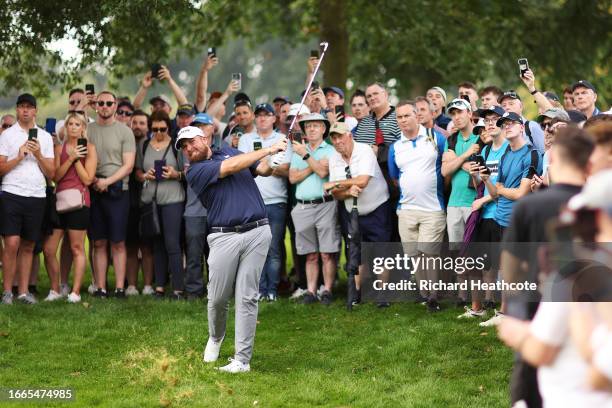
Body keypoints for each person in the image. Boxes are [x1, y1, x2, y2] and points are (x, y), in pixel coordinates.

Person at [494, 126, 593, 407]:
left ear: (553, 160)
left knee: (532, 383)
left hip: (536, 305)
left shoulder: (531, 206)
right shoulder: (600, 207)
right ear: (588, 163)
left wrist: (514, 305)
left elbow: (510, 266)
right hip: (594, 310)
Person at [178, 125, 287, 373]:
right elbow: (231, 168)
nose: (188, 148)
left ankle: (242, 360)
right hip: (223, 237)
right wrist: (269, 148)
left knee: (247, 296)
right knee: (217, 298)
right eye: (184, 147)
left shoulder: (228, 150)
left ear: (204, 139)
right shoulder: (194, 171)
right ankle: (216, 337)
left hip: (257, 231)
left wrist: (273, 162)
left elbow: (260, 170)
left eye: (191, 142)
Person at [324, 122, 391, 305]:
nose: (337, 141)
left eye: (340, 136)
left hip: (377, 207)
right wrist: (346, 190)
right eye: (334, 138)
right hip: (351, 211)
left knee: (380, 252)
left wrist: (335, 184)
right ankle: (358, 293)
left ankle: (382, 294)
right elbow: (337, 194)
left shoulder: (364, 151)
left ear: (349, 135)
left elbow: (362, 181)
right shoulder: (334, 157)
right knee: (356, 252)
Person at [388, 101, 446, 312]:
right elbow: (395, 177)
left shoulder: (435, 138)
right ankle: (424, 293)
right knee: (414, 255)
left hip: (432, 208)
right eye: (399, 117)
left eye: (406, 116)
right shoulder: (395, 146)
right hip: (406, 209)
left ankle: (433, 295)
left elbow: (446, 168)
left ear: (416, 116)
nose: (403, 120)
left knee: (429, 253)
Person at [0, 94, 55, 305]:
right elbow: (1, 168)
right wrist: (20, 155)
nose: (25, 110)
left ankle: (23, 292)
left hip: (36, 194)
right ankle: (7, 292)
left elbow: (51, 173)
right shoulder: (7, 135)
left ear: (35, 111)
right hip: (12, 193)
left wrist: (39, 154)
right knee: (11, 242)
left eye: (29, 107)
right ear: (17, 110)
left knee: (29, 245)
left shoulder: (45, 137)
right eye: (21, 107)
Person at [238, 103, 292, 301]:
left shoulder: (282, 139)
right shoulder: (245, 139)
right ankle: (259, 290)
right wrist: (269, 162)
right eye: (259, 115)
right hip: (252, 201)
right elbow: (243, 167)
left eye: (266, 115)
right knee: (254, 249)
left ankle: (272, 290)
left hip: (276, 201)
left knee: (274, 248)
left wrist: (268, 166)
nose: (262, 118)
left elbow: (287, 169)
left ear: (273, 119)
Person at [43, 113, 97, 303]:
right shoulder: (59, 148)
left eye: (77, 124)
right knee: (49, 249)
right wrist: (70, 157)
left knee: (76, 248)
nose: (73, 127)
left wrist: (76, 159)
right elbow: (56, 177)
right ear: (66, 127)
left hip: (79, 203)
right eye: (70, 124)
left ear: (83, 128)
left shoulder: (89, 148)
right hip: (59, 201)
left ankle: (75, 292)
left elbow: (88, 179)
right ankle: (55, 289)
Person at [88, 91, 136, 298]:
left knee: (118, 241)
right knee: (98, 241)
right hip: (93, 187)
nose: (105, 106)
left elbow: (128, 166)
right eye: (101, 103)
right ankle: (100, 287)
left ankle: (119, 287)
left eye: (109, 103)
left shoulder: (125, 132)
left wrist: (106, 181)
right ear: (95, 105)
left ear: (116, 105)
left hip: (118, 189)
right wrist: (95, 181)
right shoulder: (87, 130)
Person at [289, 113, 340, 305]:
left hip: (325, 204)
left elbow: (323, 172)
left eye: (315, 126)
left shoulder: (331, 150)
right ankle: (311, 291)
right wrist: (311, 161)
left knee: (327, 252)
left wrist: (306, 157)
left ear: (324, 129)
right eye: (308, 126)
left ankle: (326, 290)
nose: (311, 129)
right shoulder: (298, 151)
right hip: (303, 206)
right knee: (310, 254)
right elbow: (293, 178)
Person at [135, 111, 186, 300]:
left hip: (173, 199)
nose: (158, 132)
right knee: (156, 244)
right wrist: (144, 176)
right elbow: (137, 172)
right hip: (151, 201)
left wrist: (175, 174)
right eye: (155, 129)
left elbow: (186, 172)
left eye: (162, 129)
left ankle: (178, 288)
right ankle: (159, 287)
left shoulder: (177, 146)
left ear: (168, 127)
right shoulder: (144, 144)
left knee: (172, 244)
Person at [467, 106, 508, 323]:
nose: (490, 123)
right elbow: (479, 186)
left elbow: (503, 187)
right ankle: (477, 308)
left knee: (502, 265)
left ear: (503, 123)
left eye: (494, 119)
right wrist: (475, 176)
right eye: (487, 120)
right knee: (476, 264)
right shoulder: (485, 151)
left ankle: (503, 312)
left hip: (500, 214)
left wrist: (482, 200)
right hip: (483, 215)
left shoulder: (509, 150)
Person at [441, 98, 479, 307]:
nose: (456, 117)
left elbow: (478, 170)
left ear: (469, 113)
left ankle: (479, 295)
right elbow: (444, 171)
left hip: (473, 201)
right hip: (454, 203)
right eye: (453, 114)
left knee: (473, 250)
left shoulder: (480, 136)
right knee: (457, 251)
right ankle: (462, 295)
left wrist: (456, 161)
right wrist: (465, 157)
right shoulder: (452, 140)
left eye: (460, 112)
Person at [183, 113, 215, 300]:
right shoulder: (185, 150)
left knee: (215, 258)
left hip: (215, 211)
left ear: (212, 128)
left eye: (204, 125)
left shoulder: (218, 151)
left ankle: (215, 291)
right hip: (193, 211)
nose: (200, 127)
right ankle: (194, 292)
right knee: (194, 256)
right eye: (196, 125)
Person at [125, 110, 154, 296]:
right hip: (127, 199)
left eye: (142, 123)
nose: (138, 126)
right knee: (131, 245)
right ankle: (131, 285)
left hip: (146, 199)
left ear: (148, 126)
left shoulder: (150, 145)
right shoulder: (125, 142)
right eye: (134, 122)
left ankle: (148, 285)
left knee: (147, 245)